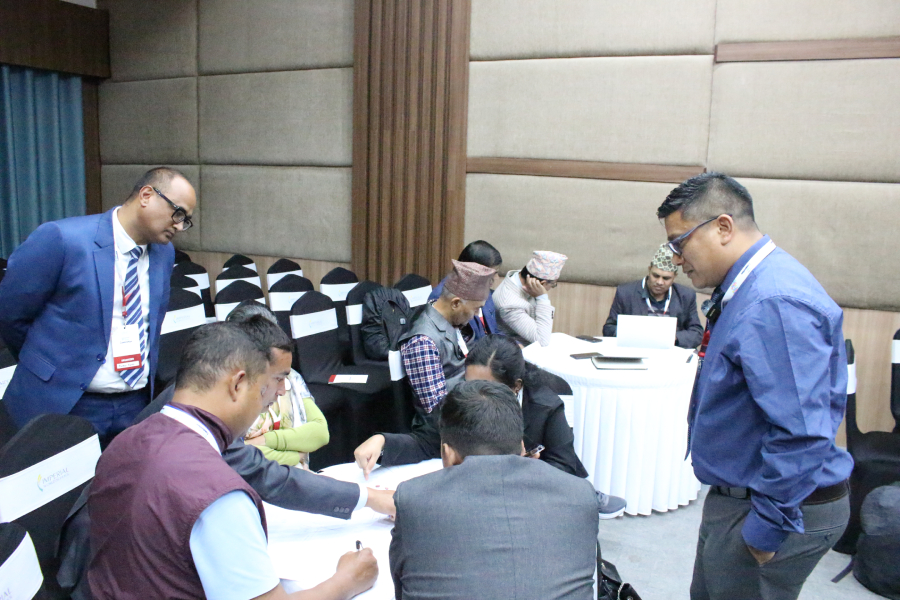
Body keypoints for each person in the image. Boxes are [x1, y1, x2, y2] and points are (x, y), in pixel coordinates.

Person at [658, 172, 853, 600]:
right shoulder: (750, 287)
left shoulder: (775, 302)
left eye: (679, 243)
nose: (675, 259)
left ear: (723, 227)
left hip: (774, 503)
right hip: (744, 495)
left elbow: (802, 432)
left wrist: (766, 529)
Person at [87, 323, 378, 599]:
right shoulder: (220, 495)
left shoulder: (122, 444)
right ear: (238, 384)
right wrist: (347, 581)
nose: (274, 396)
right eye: (265, 387)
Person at [136, 305, 395, 519]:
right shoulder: (202, 415)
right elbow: (264, 475)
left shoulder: (196, 396)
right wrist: (369, 498)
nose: (283, 390)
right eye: (277, 379)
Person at [0, 167, 196, 446]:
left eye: (186, 220)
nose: (179, 226)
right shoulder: (63, 239)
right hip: (66, 401)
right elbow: (11, 313)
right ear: (147, 195)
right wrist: (48, 365)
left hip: (134, 404)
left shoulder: (164, 254)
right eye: (178, 213)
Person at [355, 334, 627, 518]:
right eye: (469, 383)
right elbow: (427, 441)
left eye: (487, 387)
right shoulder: (461, 396)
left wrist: (522, 465)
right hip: (469, 495)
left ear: (515, 387)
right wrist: (383, 442)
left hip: (522, 504)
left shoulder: (545, 406)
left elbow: (564, 468)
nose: (474, 394)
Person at [388, 380, 600, 599]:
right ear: (522, 447)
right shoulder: (580, 495)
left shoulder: (413, 500)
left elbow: (401, 585)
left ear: (448, 454)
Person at [226, 302, 329, 468]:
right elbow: (238, 454)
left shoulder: (290, 376)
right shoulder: (233, 387)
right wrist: (295, 456)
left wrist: (266, 440)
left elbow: (320, 432)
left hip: (296, 474)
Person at [399, 260, 496, 414]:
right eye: (476, 309)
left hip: (470, 401)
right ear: (456, 304)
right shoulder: (423, 342)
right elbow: (436, 407)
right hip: (448, 420)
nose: (477, 315)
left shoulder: (452, 319)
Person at [602, 243, 703, 348]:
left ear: (674, 277)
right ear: (649, 270)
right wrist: (634, 334)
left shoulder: (686, 296)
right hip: (635, 349)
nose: (659, 282)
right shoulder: (625, 293)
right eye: (655, 276)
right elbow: (608, 329)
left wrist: (674, 337)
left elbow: (697, 333)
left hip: (670, 352)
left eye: (666, 278)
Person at [428, 240, 503, 342]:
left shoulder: (483, 288)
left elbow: (493, 330)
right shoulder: (443, 297)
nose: (496, 278)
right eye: (493, 273)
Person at [493, 250, 567, 347]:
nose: (550, 288)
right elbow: (542, 341)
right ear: (542, 283)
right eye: (553, 285)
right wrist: (542, 298)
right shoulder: (509, 305)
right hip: (517, 349)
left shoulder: (522, 277)